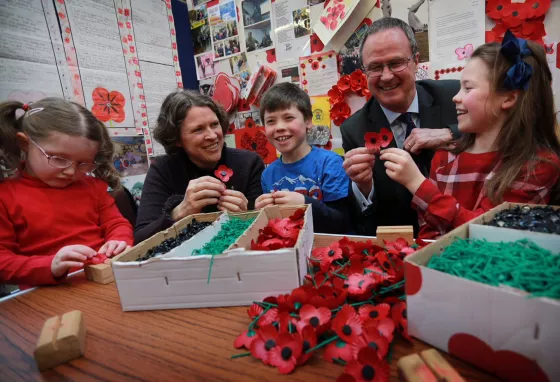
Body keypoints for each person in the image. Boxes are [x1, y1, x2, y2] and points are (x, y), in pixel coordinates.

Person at [380, 31, 560, 239]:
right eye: (459, 88)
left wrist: (417, 184)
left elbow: (489, 237)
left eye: (468, 88)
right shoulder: (444, 158)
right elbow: (429, 235)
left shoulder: (537, 166)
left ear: (509, 98)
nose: (456, 97)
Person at [341, 17, 459, 236]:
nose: (386, 76)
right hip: (404, 248)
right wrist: (363, 188)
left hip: (465, 235)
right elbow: (364, 222)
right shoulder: (354, 130)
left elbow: (506, 129)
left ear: (416, 61)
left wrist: (450, 133)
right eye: (375, 67)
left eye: (396, 63)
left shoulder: (453, 96)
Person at [0, 98, 133, 287]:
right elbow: (3, 262)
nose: (71, 171)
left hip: (105, 280)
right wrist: (50, 265)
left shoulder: (93, 186)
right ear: (24, 143)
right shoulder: (6, 196)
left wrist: (118, 240)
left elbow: (116, 223)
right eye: (58, 159)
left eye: (83, 163)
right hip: (47, 293)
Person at [135, 91, 264, 243]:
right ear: (177, 139)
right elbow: (141, 238)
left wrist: (247, 216)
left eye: (215, 124)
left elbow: (265, 228)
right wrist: (179, 212)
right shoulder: (163, 170)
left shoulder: (249, 163)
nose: (212, 135)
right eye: (198, 129)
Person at [255, 83, 351, 234]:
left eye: (288, 118)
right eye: (271, 121)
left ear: (308, 121)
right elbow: (274, 226)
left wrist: (305, 203)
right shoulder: (268, 174)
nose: (279, 127)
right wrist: (262, 214)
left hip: (326, 250)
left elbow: (342, 222)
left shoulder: (330, 163)